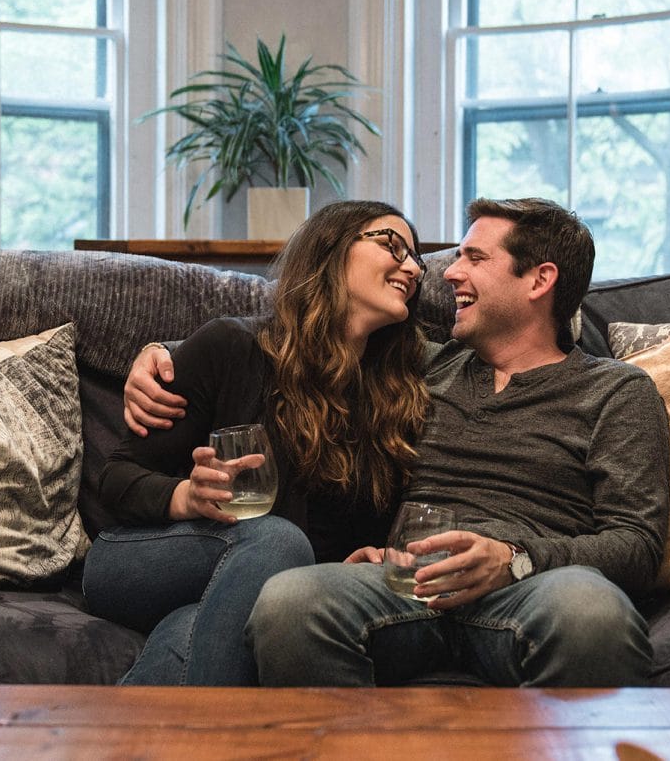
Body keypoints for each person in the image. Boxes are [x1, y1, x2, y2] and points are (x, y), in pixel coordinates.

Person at [126, 197, 670, 687]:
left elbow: (636, 544)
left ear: (539, 280)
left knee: (593, 612)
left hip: (531, 591)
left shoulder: (618, 392)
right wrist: (166, 354)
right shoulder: (422, 367)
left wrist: (515, 559)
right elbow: (303, 339)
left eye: (473, 259)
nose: (447, 273)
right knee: (291, 599)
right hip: (400, 586)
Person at [82, 199, 430, 685]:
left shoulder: (400, 393)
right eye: (393, 244)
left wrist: (361, 560)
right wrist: (185, 496)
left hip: (261, 585)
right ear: (329, 249)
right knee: (277, 541)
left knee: (194, 625)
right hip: (142, 559)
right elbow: (116, 479)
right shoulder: (232, 349)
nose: (412, 267)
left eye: (417, 258)